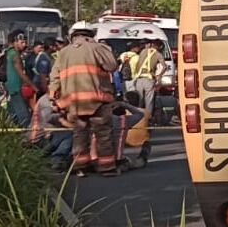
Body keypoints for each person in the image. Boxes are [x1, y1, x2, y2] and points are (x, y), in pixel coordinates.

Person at [50, 21, 120, 176]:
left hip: (74, 103)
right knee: (103, 134)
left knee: (79, 134)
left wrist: (53, 97)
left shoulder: (63, 53)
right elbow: (112, 65)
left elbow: (54, 77)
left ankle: (80, 167)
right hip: (97, 100)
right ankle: (107, 168)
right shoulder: (97, 48)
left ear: (72, 35)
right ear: (91, 34)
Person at [28, 87, 74, 171]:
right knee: (69, 134)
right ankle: (57, 160)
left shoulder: (51, 100)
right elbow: (54, 119)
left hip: (44, 138)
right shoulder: (46, 101)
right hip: (39, 140)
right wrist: (75, 128)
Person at [111, 91, 153, 169]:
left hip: (103, 158)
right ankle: (140, 158)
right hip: (119, 159)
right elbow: (140, 114)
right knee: (138, 161)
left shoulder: (104, 120)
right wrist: (125, 105)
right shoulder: (125, 121)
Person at [2, 30, 32, 127]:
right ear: (15, 42)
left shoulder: (9, 52)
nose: (25, 44)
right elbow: (21, 74)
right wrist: (34, 86)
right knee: (25, 117)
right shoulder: (15, 55)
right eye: (22, 42)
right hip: (17, 88)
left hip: (11, 88)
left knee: (13, 115)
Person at [133, 39, 165, 118]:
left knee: (139, 99)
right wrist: (159, 76)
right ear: (159, 46)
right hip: (149, 79)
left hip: (139, 79)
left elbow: (138, 63)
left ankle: (137, 117)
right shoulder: (158, 54)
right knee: (149, 101)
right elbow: (164, 67)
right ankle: (148, 118)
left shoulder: (143, 51)